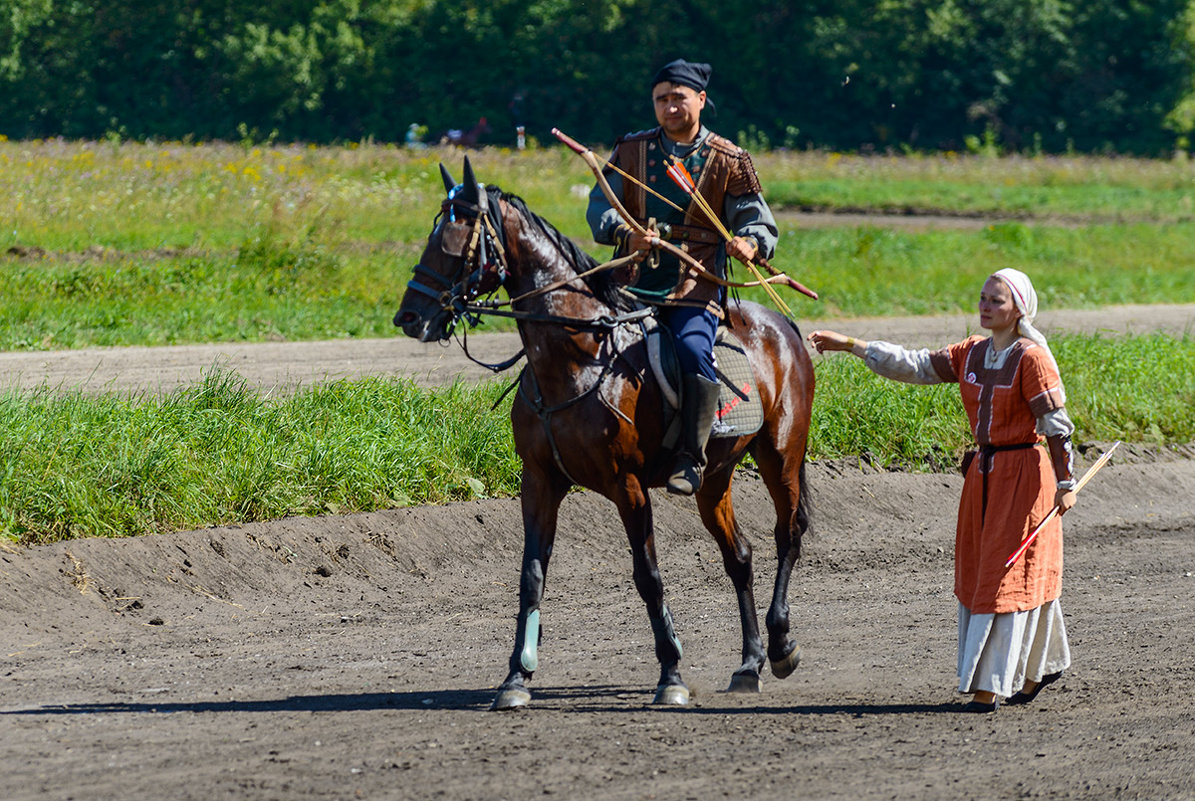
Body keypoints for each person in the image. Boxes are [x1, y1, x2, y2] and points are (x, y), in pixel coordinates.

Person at [807, 268, 1077, 713]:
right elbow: (914, 365)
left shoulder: (1032, 358)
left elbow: (1056, 425)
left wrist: (1066, 482)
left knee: (1004, 573)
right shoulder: (970, 353)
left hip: (1024, 476)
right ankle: (1040, 666)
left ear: (1019, 310)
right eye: (983, 299)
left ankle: (991, 684)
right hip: (983, 476)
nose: (986, 307)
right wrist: (853, 346)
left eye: (997, 301)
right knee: (985, 571)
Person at [587, 58, 779, 495]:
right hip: (630, 278)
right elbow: (600, 207)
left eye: (679, 98)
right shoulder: (630, 151)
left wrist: (748, 241)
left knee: (694, 350)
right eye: (662, 99)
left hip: (693, 285)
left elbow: (757, 221)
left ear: (701, 100)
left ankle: (691, 457)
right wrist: (623, 232)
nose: (670, 107)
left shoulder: (729, 158)